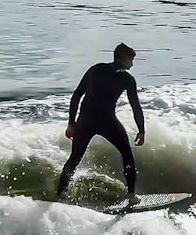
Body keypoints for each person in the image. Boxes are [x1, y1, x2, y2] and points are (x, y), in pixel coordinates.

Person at [57, 43, 145, 205]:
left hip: (85, 120)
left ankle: (60, 195)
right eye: (131, 60)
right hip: (107, 121)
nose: (132, 64)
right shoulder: (127, 78)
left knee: (75, 158)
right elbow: (135, 106)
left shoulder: (95, 69)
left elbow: (76, 95)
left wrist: (71, 123)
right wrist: (141, 130)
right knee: (127, 155)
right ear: (125, 58)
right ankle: (132, 196)